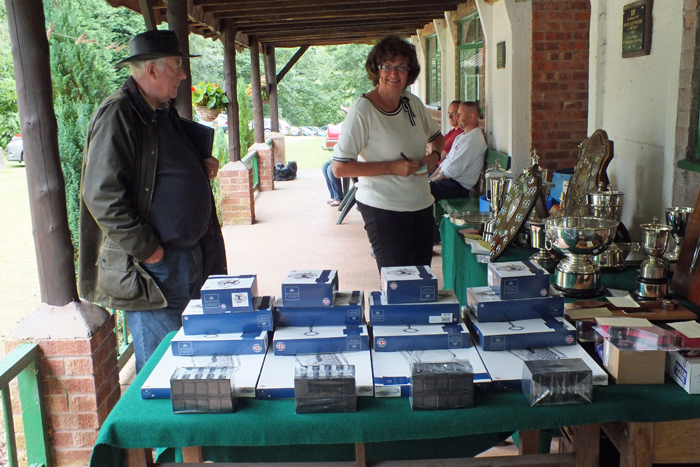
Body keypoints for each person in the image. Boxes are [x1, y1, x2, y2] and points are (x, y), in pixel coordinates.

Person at [77, 30, 227, 373]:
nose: (183, 73)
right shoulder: (120, 113)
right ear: (152, 71)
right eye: (177, 65)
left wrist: (198, 164)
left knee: (189, 361)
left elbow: (159, 167)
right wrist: (146, 248)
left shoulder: (160, 111)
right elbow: (101, 194)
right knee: (164, 368)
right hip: (155, 266)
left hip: (187, 255)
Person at [332, 36, 445, 271]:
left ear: (409, 72)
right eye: (387, 66)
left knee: (421, 278)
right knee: (397, 283)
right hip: (383, 209)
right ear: (376, 69)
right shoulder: (363, 110)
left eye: (401, 67)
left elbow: (437, 138)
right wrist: (392, 167)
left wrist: (434, 157)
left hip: (421, 205)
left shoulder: (412, 102)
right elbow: (340, 167)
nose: (394, 73)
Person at [429, 101, 487, 202]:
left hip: (458, 187)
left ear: (471, 117)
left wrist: (430, 180)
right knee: (418, 186)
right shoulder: (461, 136)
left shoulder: (473, 139)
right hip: (448, 181)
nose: (456, 117)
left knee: (420, 192)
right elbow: (446, 162)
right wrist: (430, 179)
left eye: (459, 114)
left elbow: (453, 170)